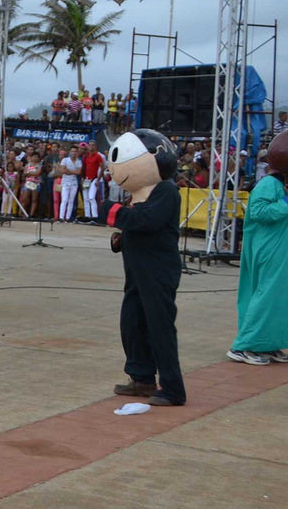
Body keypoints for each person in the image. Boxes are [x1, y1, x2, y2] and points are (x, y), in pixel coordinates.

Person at [103, 129, 186, 407]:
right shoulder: (139, 196)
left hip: (158, 271)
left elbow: (148, 221)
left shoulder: (166, 191)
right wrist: (121, 239)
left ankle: (173, 387)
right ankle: (141, 376)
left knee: (159, 326)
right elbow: (139, 226)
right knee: (132, 322)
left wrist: (114, 213)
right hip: (137, 272)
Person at [228, 129, 288, 365]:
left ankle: (268, 344)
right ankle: (244, 346)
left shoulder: (285, 185)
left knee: (286, 297)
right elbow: (257, 213)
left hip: (283, 252)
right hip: (268, 251)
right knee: (267, 296)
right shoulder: (268, 184)